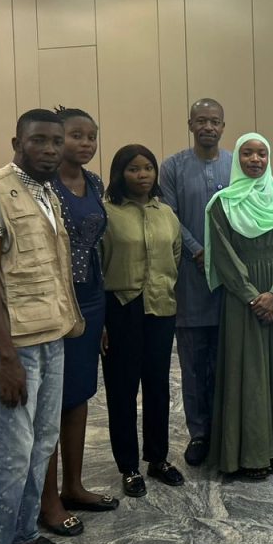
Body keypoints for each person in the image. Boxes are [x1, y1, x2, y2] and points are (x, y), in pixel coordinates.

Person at [0, 108, 84, 544]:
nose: (50, 149)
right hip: (13, 347)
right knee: (10, 459)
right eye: (38, 140)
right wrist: (7, 358)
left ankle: (24, 540)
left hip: (51, 335)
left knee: (41, 446)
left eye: (56, 141)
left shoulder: (46, 192)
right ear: (17, 142)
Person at [205, 133, 273, 479]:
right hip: (242, 301)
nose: (255, 160)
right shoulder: (221, 204)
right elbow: (224, 257)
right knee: (248, 374)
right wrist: (253, 296)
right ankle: (250, 454)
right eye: (247, 153)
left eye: (261, 154)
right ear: (237, 159)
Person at [38, 108, 118, 538]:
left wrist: (100, 313)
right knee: (51, 401)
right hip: (53, 299)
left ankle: (73, 485)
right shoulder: (42, 184)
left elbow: (97, 248)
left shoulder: (95, 183)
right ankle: (46, 499)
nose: (85, 143)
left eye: (91, 136)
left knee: (80, 394)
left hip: (90, 299)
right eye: (76, 135)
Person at [101, 144, 184, 497]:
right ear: (120, 174)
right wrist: (101, 321)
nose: (142, 175)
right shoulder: (106, 214)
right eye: (133, 169)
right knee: (122, 389)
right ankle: (129, 466)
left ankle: (157, 458)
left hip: (160, 307)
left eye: (148, 168)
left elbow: (175, 255)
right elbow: (98, 265)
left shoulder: (167, 213)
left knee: (158, 386)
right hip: (120, 308)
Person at [160, 98, 232, 466]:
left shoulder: (236, 164)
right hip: (190, 281)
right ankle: (199, 433)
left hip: (231, 283)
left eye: (214, 121)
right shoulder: (172, 167)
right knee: (192, 363)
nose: (208, 127)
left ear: (223, 126)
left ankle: (225, 431)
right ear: (190, 124)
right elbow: (169, 217)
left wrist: (225, 257)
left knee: (226, 362)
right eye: (201, 121)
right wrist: (198, 250)